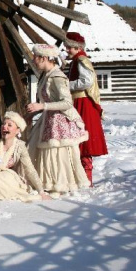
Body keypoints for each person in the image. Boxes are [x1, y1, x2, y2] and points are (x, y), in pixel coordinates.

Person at [26, 44, 90, 195]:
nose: (34, 60)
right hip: (48, 119)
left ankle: (59, 184)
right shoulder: (46, 76)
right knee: (40, 149)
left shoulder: (57, 77)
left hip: (59, 121)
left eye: (36, 57)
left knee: (57, 154)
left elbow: (67, 103)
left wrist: (42, 106)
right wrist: (32, 113)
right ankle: (46, 182)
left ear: (44, 58)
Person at [0, 111, 51, 202]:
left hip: (5, 176)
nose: (4, 127)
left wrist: (41, 191)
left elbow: (29, 169)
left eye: (9, 125)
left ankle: (6, 190)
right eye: (3, 124)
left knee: (10, 178)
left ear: (17, 130)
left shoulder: (20, 146)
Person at [64, 32, 109, 186]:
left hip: (83, 103)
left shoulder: (82, 60)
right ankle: (81, 179)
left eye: (69, 47)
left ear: (77, 47)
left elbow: (86, 81)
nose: (67, 50)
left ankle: (86, 180)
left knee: (83, 142)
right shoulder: (76, 60)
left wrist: (66, 86)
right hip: (78, 102)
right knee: (78, 141)